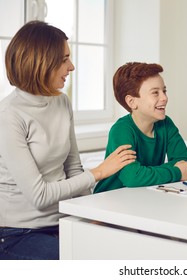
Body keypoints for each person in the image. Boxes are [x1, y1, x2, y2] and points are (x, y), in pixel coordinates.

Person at [0, 21, 136, 260]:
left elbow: (73, 168)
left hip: (63, 220)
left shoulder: (61, 102)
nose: (71, 67)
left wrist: (92, 211)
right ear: (41, 62)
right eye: (64, 59)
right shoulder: (9, 115)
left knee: (123, 251)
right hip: (17, 233)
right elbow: (39, 196)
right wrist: (99, 172)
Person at [93, 62, 187, 193]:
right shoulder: (121, 130)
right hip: (109, 201)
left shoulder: (166, 124)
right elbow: (132, 177)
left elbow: (186, 164)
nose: (165, 98)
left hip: (142, 198)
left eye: (164, 91)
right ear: (132, 102)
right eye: (155, 93)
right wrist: (176, 172)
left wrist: (146, 174)